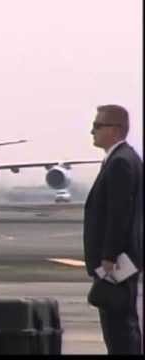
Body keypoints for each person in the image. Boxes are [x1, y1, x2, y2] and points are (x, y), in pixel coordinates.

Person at [83, 104, 143, 354]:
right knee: (123, 324)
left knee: (118, 328)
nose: (91, 131)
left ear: (116, 129)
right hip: (123, 260)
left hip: (117, 263)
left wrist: (108, 257)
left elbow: (119, 215)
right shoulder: (125, 158)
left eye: (98, 126)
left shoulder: (120, 162)